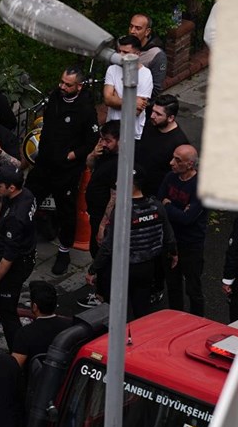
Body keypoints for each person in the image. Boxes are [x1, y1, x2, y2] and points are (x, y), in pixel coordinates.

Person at [23, 67, 98, 276]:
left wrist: (71, 156)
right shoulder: (55, 97)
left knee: (66, 211)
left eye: (68, 84)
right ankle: (25, 244)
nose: (62, 87)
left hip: (66, 170)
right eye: (61, 82)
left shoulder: (85, 109)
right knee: (26, 200)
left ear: (79, 86)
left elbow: (91, 140)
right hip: (44, 163)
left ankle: (64, 251)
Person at [86, 169, 177, 318]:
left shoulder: (122, 211)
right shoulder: (157, 206)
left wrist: (93, 269)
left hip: (123, 268)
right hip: (147, 267)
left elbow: (108, 245)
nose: (117, 183)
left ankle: (123, 337)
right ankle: (140, 336)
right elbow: (168, 236)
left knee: (120, 311)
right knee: (142, 308)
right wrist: (173, 253)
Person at [0, 165, 37, 350]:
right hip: (26, 253)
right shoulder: (25, 194)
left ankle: (18, 351)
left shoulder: (16, 216)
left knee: (7, 310)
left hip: (17, 263)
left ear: (11, 187)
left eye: (0, 185)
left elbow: (9, 257)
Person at [79, 120, 122, 308]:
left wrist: (104, 225)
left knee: (102, 255)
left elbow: (115, 195)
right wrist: (93, 154)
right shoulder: (104, 153)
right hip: (94, 212)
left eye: (108, 140)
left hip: (104, 217)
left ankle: (103, 297)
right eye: (102, 139)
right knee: (95, 251)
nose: (103, 144)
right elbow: (89, 165)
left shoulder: (120, 162)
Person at [159, 145, 206, 316]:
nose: (172, 163)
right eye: (173, 157)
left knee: (193, 287)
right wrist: (176, 210)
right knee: (173, 285)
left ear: (190, 165)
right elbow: (159, 204)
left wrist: (168, 204)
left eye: (178, 160)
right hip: (171, 240)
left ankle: (198, 322)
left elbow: (188, 219)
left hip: (191, 244)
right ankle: (176, 319)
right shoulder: (170, 177)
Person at [136, 94, 190, 216]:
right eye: (153, 111)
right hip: (137, 186)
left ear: (171, 118)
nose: (152, 116)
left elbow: (180, 175)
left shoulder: (179, 142)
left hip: (155, 197)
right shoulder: (152, 123)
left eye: (158, 114)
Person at [11, 281, 73, 374]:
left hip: (34, 382)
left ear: (35, 307)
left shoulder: (25, 333)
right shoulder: (70, 327)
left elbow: (14, 367)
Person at [103, 35, 154, 141]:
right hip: (111, 133)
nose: (121, 56)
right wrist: (132, 101)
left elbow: (136, 111)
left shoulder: (145, 74)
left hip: (132, 133)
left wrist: (116, 98)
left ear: (137, 54)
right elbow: (107, 99)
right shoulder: (112, 69)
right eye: (119, 51)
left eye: (126, 52)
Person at [129, 13, 168, 96]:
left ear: (147, 31)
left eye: (138, 28)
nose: (132, 31)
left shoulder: (156, 55)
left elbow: (156, 88)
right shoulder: (123, 46)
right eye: (131, 26)